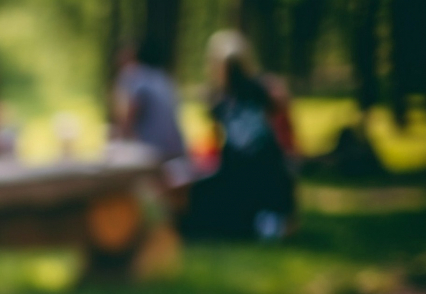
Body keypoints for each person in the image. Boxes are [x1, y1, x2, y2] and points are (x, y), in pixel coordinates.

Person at [185, 31, 296, 239]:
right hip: (247, 173)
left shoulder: (259, 91)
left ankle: (261, 222)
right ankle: (261, 222)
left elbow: (283, 123)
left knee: (208, 204)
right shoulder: (224, 100)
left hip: (258, 172)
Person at [113, 37, 187, 165]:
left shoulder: (136, 76)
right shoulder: (165, 78)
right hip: (177, 153)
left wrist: (118, 141)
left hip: (155, 154)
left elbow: (128, 117)